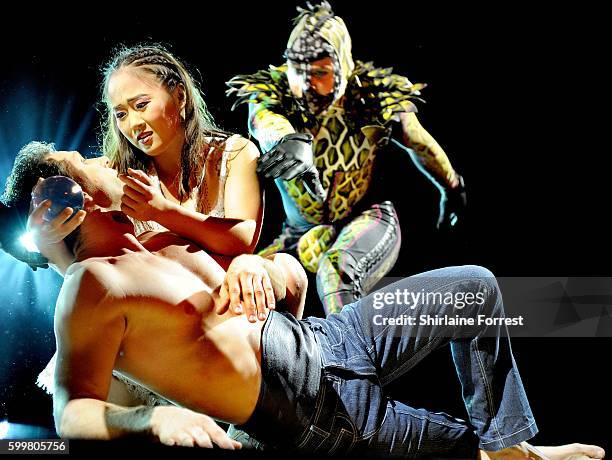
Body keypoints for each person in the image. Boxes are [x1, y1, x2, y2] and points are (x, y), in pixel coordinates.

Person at [1, 144, 604, 460]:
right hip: (318, 414)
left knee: (474, 287)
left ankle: (513, 444)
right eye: (85, 163)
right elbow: (70, 414)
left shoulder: (159, 238)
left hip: (333, 336)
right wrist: (152, 418)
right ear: (56, 204)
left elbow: (280, 273)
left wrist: (267, 265)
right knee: (461, 452)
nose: (106, 161)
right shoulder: (90, 285)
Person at [226, 2, 467, 316]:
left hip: (365, 217)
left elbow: (420, 143)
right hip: (300, 233)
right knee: (247, 279)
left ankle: (355, 362)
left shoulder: (372, 100)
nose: (307, 84)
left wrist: (451, 186)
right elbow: (262, 119)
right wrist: (289, 140)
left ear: (342, 66)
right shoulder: (276, 94)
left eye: (320, 73)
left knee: (336, 272)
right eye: (299, 71)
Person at [29, 43, 263, 278]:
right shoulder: (116, 173)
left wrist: (162, 211)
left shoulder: (234, 154)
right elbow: (49, 177)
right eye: (121, 114)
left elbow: (244, 239)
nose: (133, 123)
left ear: (180, 96)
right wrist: (37, 242)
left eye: (141, 105)